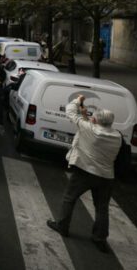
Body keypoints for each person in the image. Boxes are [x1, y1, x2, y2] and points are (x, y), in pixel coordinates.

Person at [47, 95, 121, 253]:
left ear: (95, 121)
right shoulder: (117, 136)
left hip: (85, 172)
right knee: (102, 208)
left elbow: (70, 112)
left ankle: (62, 226)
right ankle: (99, 238)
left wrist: (78, 100)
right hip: (106, 176)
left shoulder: (89, 130)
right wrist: (86, 115)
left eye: (93, 118)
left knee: (70, 198)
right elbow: (93, 126)